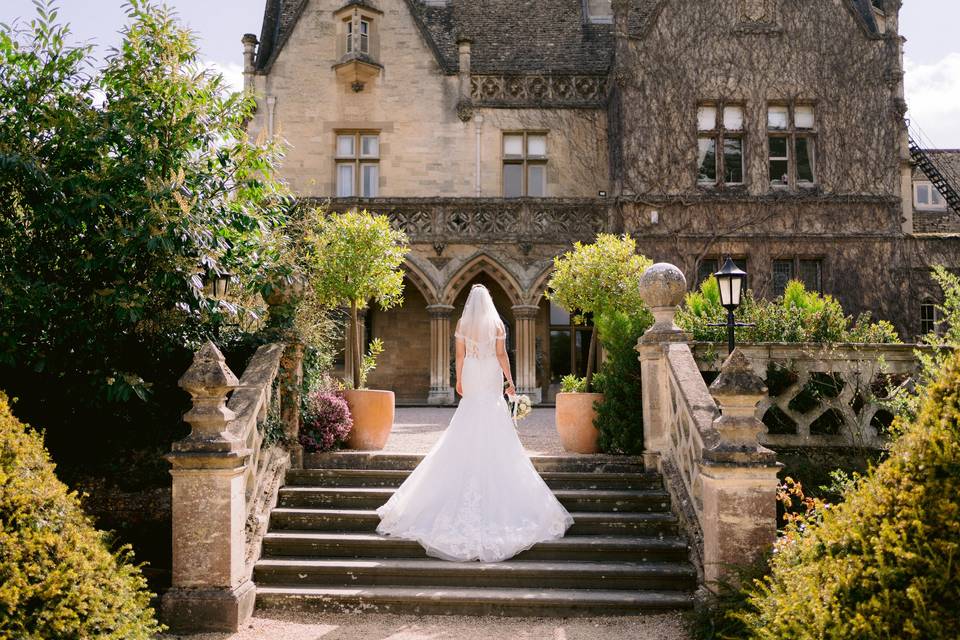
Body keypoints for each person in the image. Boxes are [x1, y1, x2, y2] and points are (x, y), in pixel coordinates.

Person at [376, 284, 573, 562]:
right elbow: (502, 354)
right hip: (490, 369)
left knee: (468, 411)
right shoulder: (496, 323)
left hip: (471, 369)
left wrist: (457, 379)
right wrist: (510, 381)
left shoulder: (462, 322)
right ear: (489, 302)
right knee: (492, 410)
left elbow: (459, 354)